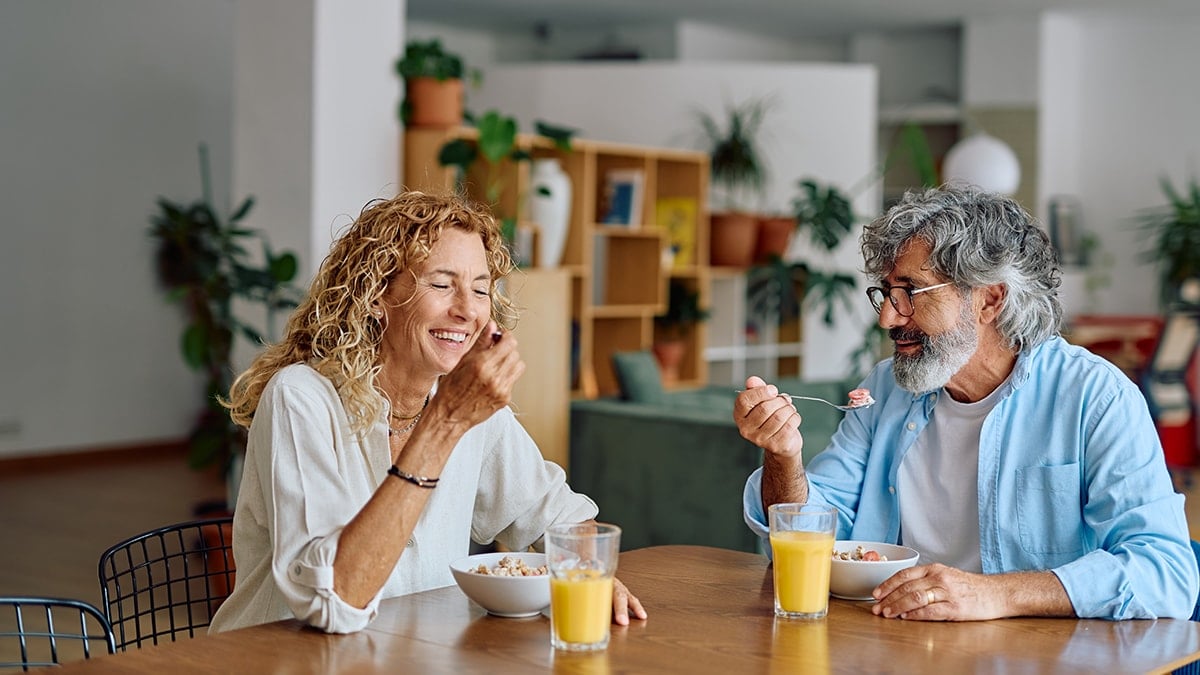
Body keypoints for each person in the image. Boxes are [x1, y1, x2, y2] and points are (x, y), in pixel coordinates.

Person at [735, 183, 1198, 622]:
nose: (887, 318)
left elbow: (1166, 574)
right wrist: (783, 456)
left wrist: (994, 593)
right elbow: (810, 535)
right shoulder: (885, 389)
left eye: (910, 292)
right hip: (889, 643)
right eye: (886, 293)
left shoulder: (1095, 399)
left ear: (989, 300)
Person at [209, 191, 646, 633]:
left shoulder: (471, 406)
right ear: (377, 293)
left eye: (480, 289)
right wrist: (447, 420)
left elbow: (561, 519)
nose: (467, 310)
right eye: (441, 284)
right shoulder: (301, 398)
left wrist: (590, 574)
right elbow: (332, 602)